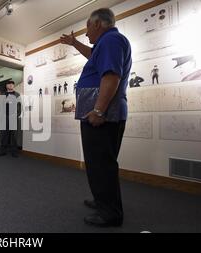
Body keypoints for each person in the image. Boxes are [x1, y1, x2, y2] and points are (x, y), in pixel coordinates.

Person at [60, 8, 132, 227]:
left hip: (102, 116)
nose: (86, 33)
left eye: (88, 28)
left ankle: (110, 213)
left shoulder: (111, 41)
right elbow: (94, 56)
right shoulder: (106, 43)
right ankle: (102, 201)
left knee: (101, 164)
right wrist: (74, 44)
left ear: (98, 24)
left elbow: (111, 75)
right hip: (99, 114)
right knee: (98, 163)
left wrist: (99, 110)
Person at [0, 81, 20, 158]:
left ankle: (14, 152)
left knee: (13, 135)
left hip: (13, 116)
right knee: (4, 135)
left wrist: (17, 114)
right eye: (9, 84)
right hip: (4, 116)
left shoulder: (17, 94)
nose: (11, 85)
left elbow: (20, 106)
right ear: (6, 86)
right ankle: (2, 151)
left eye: (12, 84)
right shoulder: (2, 95)